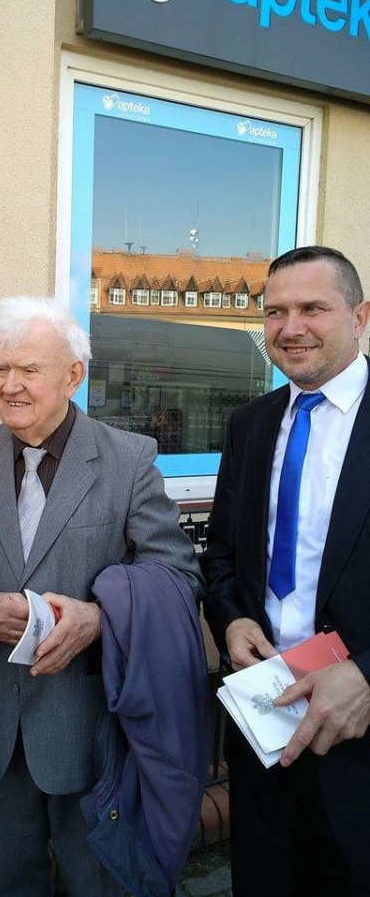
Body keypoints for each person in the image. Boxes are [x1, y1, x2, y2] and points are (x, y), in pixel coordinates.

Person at [0, 295, 202, 897]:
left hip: (90, 721)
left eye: (29, 369)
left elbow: (176, 573)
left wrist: (98, 619)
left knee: (96, 879)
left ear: (73, 376)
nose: (10, 385)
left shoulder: (128, 459)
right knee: (10, 880)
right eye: (1, 368)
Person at [202, 246, 370, 896]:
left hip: (360, 732)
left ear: (359, 317)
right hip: (264, 721)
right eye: (274, 312)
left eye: (312, 308)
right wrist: (230, 619)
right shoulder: (250, 424)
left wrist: (365, 674)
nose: (290, 327)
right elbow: (221, 554)